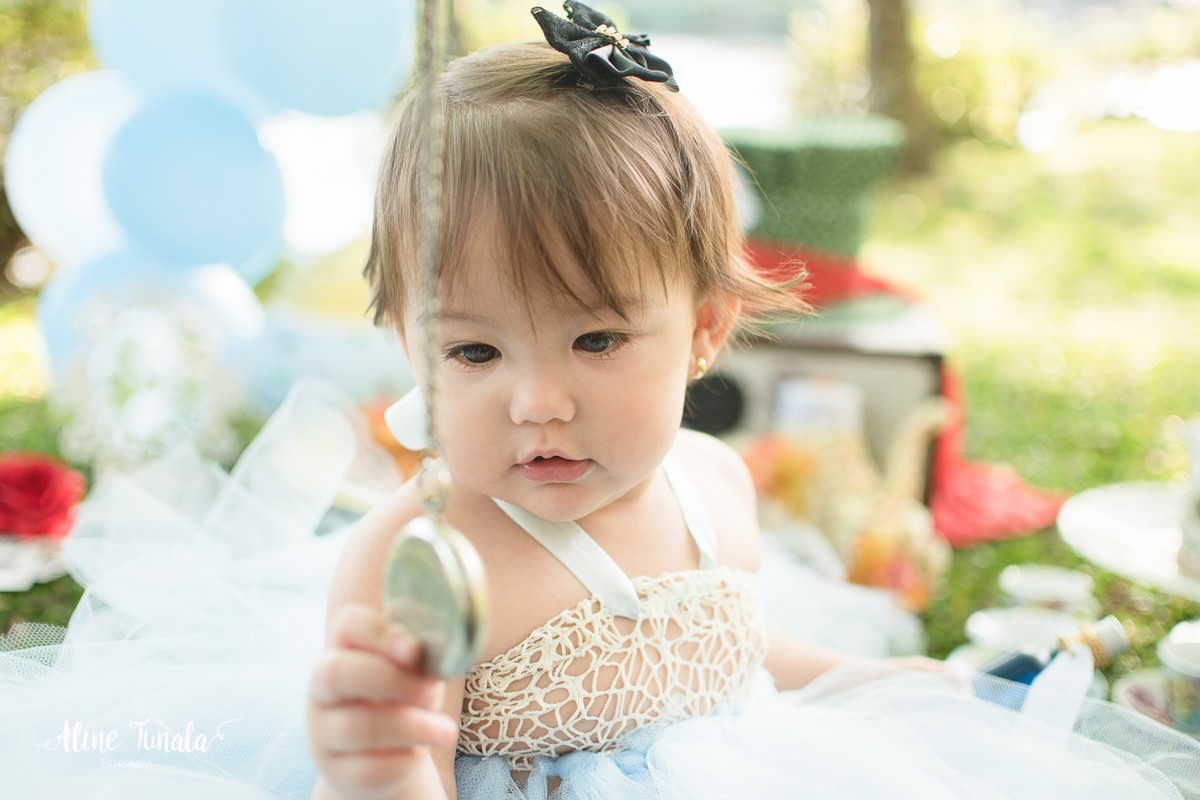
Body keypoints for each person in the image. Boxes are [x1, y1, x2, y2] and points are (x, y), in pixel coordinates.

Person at [305, 5, 1200, 800]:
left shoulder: (714, 485)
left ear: (704, 330)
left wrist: (872, 676)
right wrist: (372, 771)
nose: (537, 401)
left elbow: (729, 656)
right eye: (473, 350)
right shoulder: (422, 563)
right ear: (408, 348)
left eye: (597, 340)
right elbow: (404, 766)